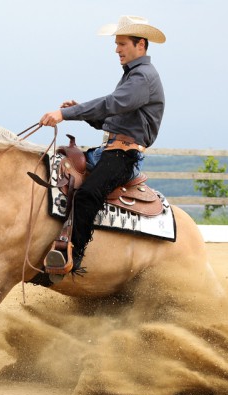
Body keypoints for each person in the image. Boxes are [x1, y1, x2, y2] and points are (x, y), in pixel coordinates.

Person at [39, 15, 166, 277]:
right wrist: (81, 112)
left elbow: (112, 104)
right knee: (60, 173)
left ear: (140, 44)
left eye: (122, 44)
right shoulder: (134, 77)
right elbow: (111, 117)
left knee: (87, 195)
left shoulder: (142, 77)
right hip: (110, 150)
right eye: (116, 44)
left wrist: (68, 114)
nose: (116, 49)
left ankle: (70, 256)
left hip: (124, 155)